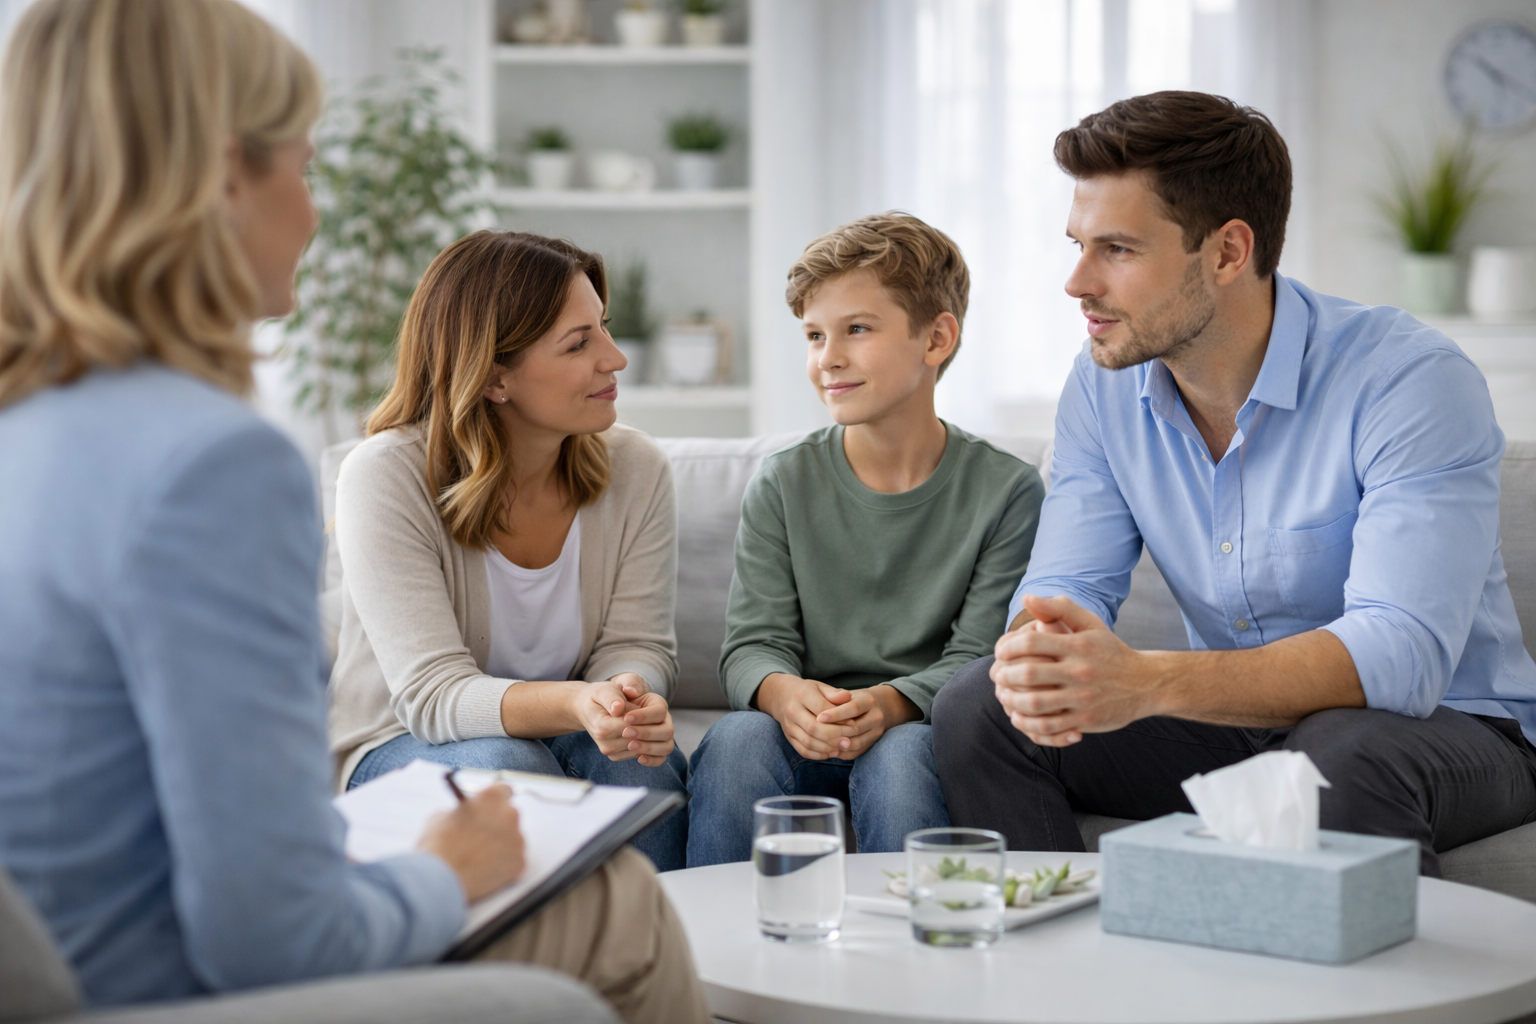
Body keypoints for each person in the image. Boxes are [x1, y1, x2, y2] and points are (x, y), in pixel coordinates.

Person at [0, 2, 709, 1021]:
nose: (313, 214)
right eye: (304, 167)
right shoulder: (210, 463)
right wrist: (443, 870)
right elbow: (274, 935)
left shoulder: (32, 423)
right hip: (155, 986)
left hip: (81, 960)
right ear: (223, 180)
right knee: (620, 908)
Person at [930, 91, 1536, 874]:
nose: (1077, 281)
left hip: (1448, 728)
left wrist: (1145, 681)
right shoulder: (1102, 386)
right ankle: (1059, 948)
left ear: (1227, 252)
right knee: (981, 708)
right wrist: (1040, 659)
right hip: (1233, 724)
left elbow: (1400, 655)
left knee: (1334, 757)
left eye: (1117, 249)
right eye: (1078, 244)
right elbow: (1063, 589)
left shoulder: (1408, 380)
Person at [686, 213, 1045, 866]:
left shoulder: (1008, 491)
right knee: (738, 740)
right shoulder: (783, 482)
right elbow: (752, 645)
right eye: (814, 335)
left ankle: (913, 932)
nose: (828, 357)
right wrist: (785, 695)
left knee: (903, 757)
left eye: (857, 329)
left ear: (936, 338)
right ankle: (711, 929)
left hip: (914, 729)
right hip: (801, 732)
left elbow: (978, 660)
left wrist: (888, 704)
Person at [328, 229, 690, 872]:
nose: (615, 359)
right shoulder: (385, 475)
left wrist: (626, 697)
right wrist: (577, 703)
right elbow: (433, 695)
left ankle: (652, 936)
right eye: (579, 343)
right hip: (398, 744)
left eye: (603, 329)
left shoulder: (636, 467)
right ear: (495, 376)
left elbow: (638, 643)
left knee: (640, 766)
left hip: (565, 732)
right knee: (511, 766)